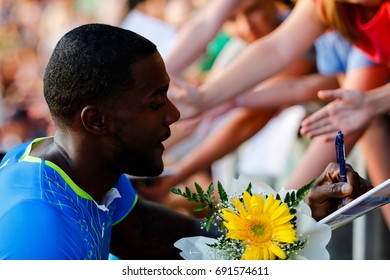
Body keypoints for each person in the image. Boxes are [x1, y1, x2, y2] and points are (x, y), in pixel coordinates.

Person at [0, 23, 373, 260]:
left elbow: (191, 242)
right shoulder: (38, 232)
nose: (173, 115)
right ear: (96, 120)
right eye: (155, 102)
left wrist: (299, 213)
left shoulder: (92, 176)